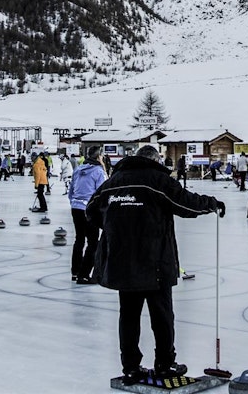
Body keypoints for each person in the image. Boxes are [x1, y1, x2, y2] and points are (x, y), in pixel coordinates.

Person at [86, 144, 224, 384]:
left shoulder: (113, 182)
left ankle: (130, 366)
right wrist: (212, 203)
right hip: (154, 259)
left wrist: (117, 228)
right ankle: (165, 363)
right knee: (161, 314)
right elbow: (186, 203)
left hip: (122, 262)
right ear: (155, 160)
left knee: (128, 315)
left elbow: (91, 210)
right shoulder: (156, 179)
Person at [67, 145, 106, 284]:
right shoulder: (98, 171)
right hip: (89, 209)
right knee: (93, 242)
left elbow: (71, 190)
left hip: (76, 207)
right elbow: (101, 193)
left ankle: (75, 271)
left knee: (79, 239)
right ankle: (84, 274)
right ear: (98, 156)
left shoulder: (78, 170)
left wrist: (74, 202)